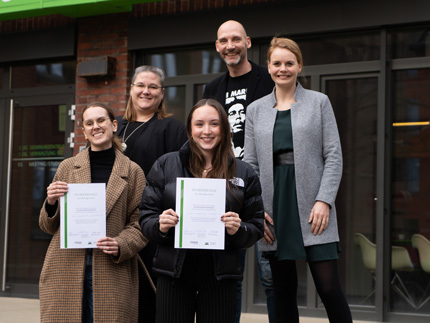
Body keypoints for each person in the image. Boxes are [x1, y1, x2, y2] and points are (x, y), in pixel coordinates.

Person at [244, 37, 352, 323]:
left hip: (313, 204)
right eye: (277, 63)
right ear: (268, 67)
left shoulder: (319, 102)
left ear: (299, 66)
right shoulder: (254, 110)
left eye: (289, 63)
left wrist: (324, 200)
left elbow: (334, 155)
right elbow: (250, 165)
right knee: (283, 291)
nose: (283, 69)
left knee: (329, 287)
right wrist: (256, 211)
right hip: (273, 205)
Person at [139, 98, 264, 323]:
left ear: (225, 129)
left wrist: (239, 228)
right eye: (199, 124)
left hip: (220, 274)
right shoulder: (165, 165)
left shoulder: (244, 172)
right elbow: (145, 219)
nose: (207, 131)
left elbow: (255, 227)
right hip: (174, 271)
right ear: (190, 129)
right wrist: (160, 225)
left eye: (214, 124)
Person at [39, 102, 147, 322]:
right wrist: (51, 202)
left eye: (101, 120)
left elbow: (140, 223)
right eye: (89, 123)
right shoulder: (67, 167)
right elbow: (48, 226)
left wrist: (121, 243)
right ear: (84, 132)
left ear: (114, 125)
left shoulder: (133, 171)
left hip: (111, 268)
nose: (96, 127)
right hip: (66, 267)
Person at [203, 20, 276, 322]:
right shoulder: (212, 88)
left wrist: (266, 202)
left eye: (235, 39)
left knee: (271, 275)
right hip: (224, 195)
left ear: (247, 42)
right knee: (226, 277)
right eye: (223, 40)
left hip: (261, 192)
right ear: (218, 46)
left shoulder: (269, 80)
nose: (229, 45)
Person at [116, 65, 188, 323]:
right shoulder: (116, 126)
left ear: (162, 93)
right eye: (140, 85)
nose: (146, 91)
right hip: (116, 222)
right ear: (131, 88)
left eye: (153, 87)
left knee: (151, 294)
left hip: (154, 222)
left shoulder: (173, 128)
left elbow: (182, 176)